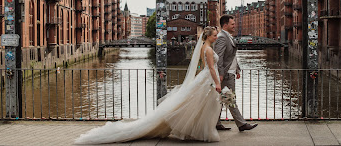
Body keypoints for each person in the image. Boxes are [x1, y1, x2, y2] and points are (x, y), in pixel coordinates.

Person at [75, 27, 222, 144]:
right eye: (215, 35)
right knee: (200, 105)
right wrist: (216, 82)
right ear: (208, 36)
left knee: (199, 105)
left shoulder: (203, 47)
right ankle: (201, 131)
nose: (216, 37)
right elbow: (209, 68)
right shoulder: (208, 49)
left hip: (204, 78)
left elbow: (203, 67)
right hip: (208, 78)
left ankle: (198, 130)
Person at [214, 15, 258, 132]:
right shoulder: (222, 37)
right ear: (225, 25)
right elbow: (219, 57)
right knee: (230, 99)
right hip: (226, 75)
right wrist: (221, 74)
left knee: (222, 99)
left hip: (231, 73)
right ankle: (241, 124)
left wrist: (237, 69)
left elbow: (231, 57)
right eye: (232, 24)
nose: (235, 26)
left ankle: (216, 123)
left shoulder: (228, 36)